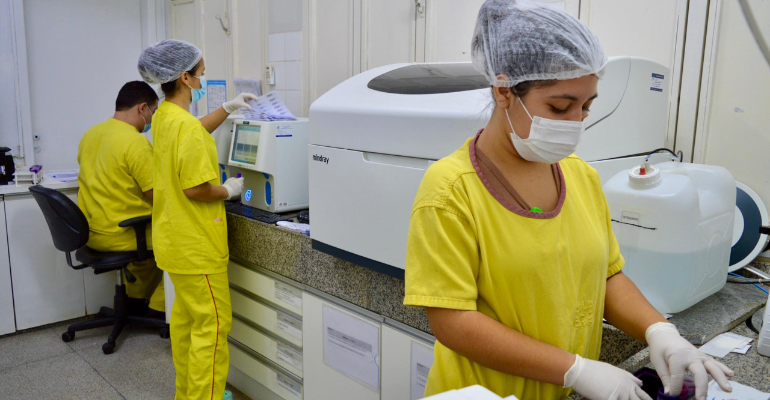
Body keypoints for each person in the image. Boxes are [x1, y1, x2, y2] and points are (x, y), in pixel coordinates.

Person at [403, 2, 735, 400]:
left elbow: (607, 276)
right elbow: (454, 323)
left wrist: (660, 332)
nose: (577, 121)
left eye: (586, 106)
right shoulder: (450, 190)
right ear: (504, 90)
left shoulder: (580, 175)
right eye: (560, 107)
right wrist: (574, 370)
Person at [137, 39, 256, 400]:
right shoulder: (183, 127)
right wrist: (230, 190)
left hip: (173, 242)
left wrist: (227, 108)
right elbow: (197, 190)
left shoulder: (163, 118)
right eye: (201, 74)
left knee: (188, 326)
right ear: (185, 77)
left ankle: (189, 395)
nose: (204, 79)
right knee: (213, 330)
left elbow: (192, 132)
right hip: (197, 246)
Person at [78, 80, 165, 317]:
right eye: (154, 112)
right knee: (183, 244)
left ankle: (134, 302)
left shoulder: (91, 134)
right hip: (121, 236)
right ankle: (159, 310)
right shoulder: (135, 142)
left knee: (146, 248)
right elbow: (158, 196)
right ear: (142, 108)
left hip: (91, 233)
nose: (152, 118)